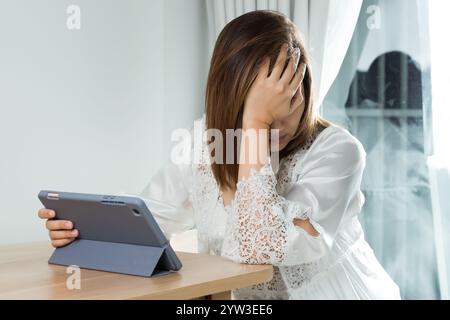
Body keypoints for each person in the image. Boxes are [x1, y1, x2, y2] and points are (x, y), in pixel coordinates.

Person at [37, 10, 401, 300]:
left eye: (286, 99)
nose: (276, 121)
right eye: (255, 105)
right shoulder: (205, 140)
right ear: (229, 102)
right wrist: (82, 232)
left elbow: (262, 247)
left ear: (305, 86)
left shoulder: (337, 152)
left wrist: (256, 122)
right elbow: (149, 219)